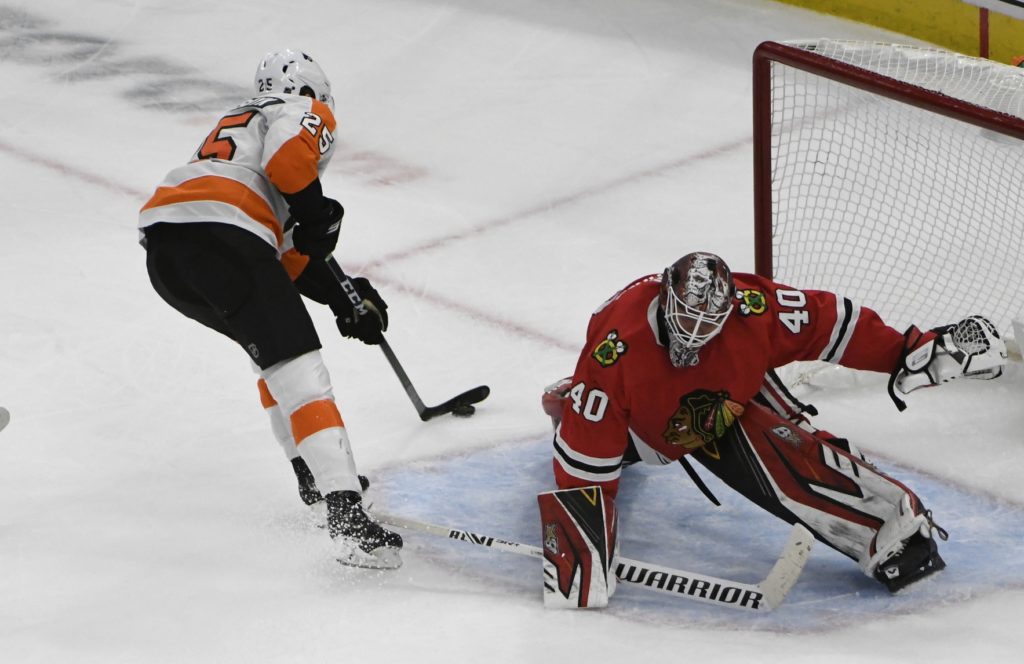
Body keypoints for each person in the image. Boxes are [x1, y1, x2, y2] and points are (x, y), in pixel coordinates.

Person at [538, 251, 1006, 608]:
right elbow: (585, 463)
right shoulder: (616, 352)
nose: (695, 332)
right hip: (647, 424)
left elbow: (829, 322)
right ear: (665, 297)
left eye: (709, 321)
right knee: (594, 434)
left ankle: (887, 532)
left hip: (729, 392)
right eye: (687, 316)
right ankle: (567, 401)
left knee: (787, 447)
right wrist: (580, 548)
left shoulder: (753, 310)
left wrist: (909, 349)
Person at [138, 48, 402, 569]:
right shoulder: (300, 108)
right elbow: (289, 164)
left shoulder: (239, 130)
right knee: (300, 368)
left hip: (167, 251)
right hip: (223, 239)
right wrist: (318, 214)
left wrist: (343, 295)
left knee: (274, 355)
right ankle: (347, 517)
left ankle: (314, 476)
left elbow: (282, 254)